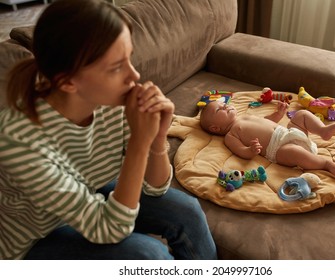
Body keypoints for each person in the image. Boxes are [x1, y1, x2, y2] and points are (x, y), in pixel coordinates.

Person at [0, 0, 217, 260]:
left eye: (128, 59)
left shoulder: (112, 102)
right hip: (33, 241)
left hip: (87, 197)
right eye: (116, 67)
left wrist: (157, 138)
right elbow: (111, 228)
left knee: (188, 211)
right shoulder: (17, 139)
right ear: (67, 82)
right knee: (148, 255)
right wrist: (139, 140)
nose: (134, 75)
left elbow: (155, 188)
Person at [200, 100, 335, 176]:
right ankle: (324, 164)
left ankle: (322, 130)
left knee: (301, 115)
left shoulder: (244, 115)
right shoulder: (230, 135)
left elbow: (266, 120)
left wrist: (278, 115)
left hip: (288, 132)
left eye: (224, 104)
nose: (225, 106)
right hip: (278, 149)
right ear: (215, 128)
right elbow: (241, 151)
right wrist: (250, 150)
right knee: (293, 151)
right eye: (220, 109)